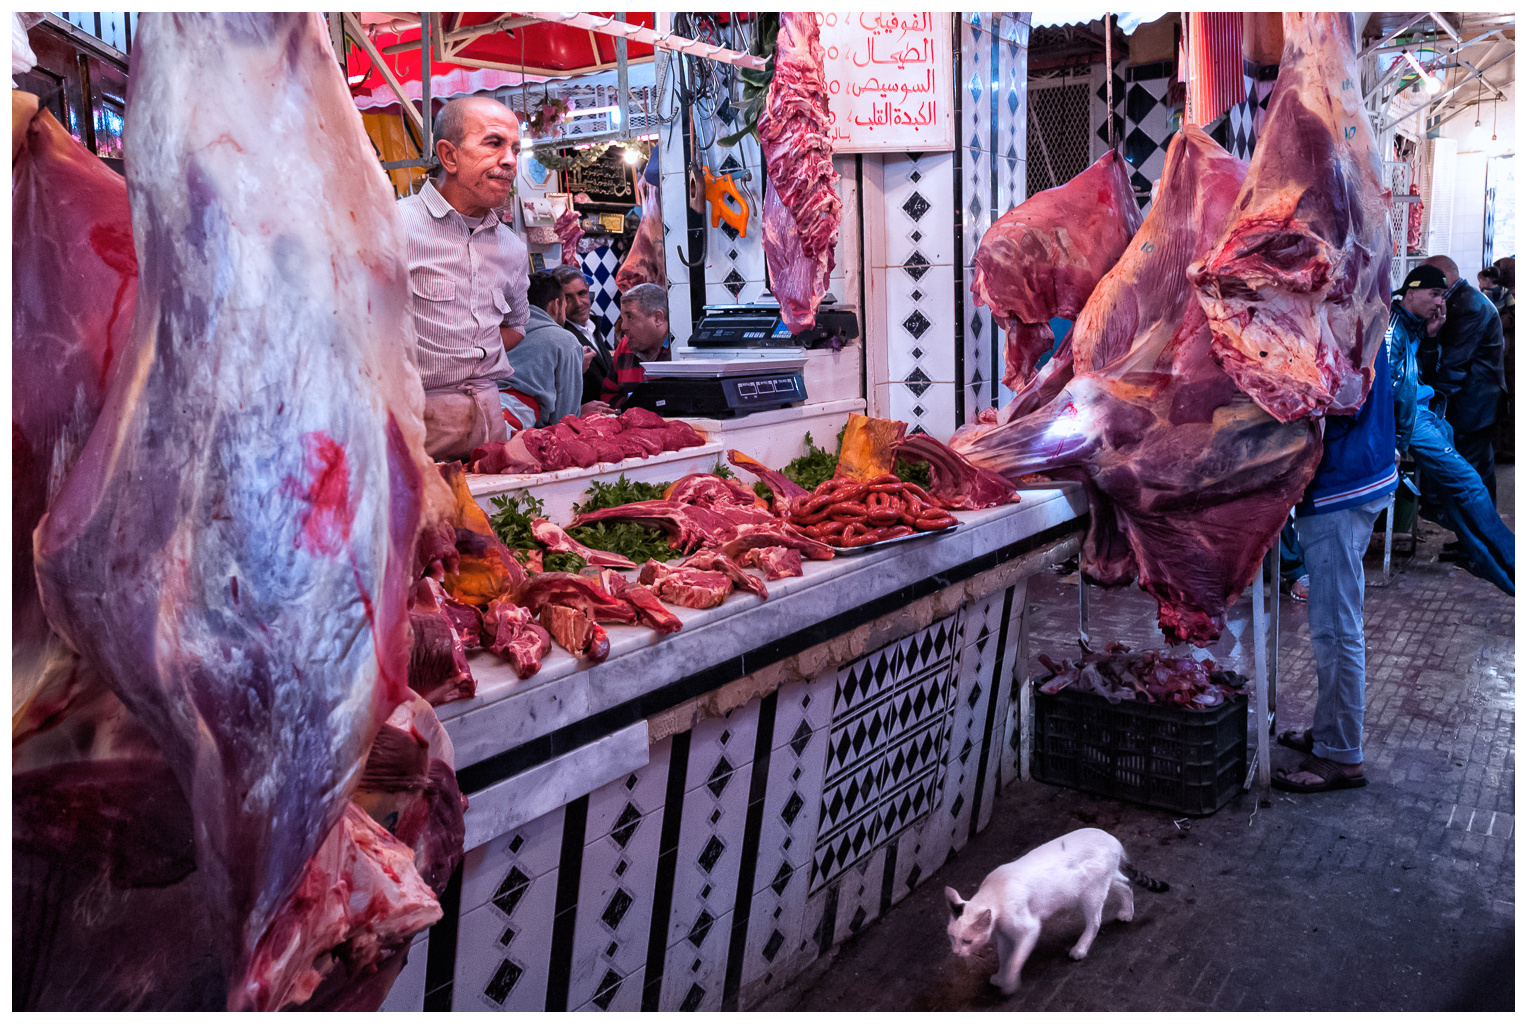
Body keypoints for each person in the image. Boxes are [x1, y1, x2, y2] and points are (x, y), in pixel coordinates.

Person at [1272, 329, 1398, 793]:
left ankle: (1342, 756)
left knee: (1337, 627)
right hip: (1360, 471)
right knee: (1335, 623)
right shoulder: (1357, 301)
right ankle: (1329, 733)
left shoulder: (1340, 315)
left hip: (1341, 486)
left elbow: (1327, 400)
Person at [397, 96, 530, 461]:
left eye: (515, 149)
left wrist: (470, 354)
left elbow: (516, 325)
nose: (510, 160)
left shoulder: (511, 248)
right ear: (449, 155)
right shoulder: (393, 227)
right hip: (416, 421)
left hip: (489, 416)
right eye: (494, 143)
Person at [1390, 264, 1514, 595]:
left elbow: (1424, 373)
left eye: (1444, 296)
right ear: (1411, 292)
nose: (1440, 303)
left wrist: (1431, 337)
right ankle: (1510, 560)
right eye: (1434, 294)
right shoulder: (1395, 328)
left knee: (1461, 487)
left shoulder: (1416, 324)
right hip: (1415, 420)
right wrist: (1398, 445)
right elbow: (1394, 393)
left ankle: (1492, 560)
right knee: (1469, 482)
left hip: (1434, 413)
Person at [1417, 255, 1505, 506]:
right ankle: (1477, 540)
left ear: (1442, 276)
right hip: (1480, 401)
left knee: (1469, 476)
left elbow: (1454, 365)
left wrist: (1430, 405)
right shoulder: (1462, 300)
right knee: (1480, 471)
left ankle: (1476, 541)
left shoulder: (1468, 305)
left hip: (1475, 404)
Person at [498, 272, 586, 430]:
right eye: (565, 305)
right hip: (515, 418)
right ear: (555, 305)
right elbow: (565, 418)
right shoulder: (565, 340)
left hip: (480, 407)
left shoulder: (503, 332)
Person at [551, 263, 616, 406]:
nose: (579, 303)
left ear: (587, 289)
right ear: (557, 301)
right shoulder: (559, 337)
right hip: (580, 422)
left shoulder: (592, 327)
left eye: (581, 293)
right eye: (568, 298)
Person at [601, 283, 672, 407]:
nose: (623, 326)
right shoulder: (624, 347)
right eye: (623, 318)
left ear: (657, 318)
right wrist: (637, 407)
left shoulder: (678, 349)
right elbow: (608, 396)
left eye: (630, 317)